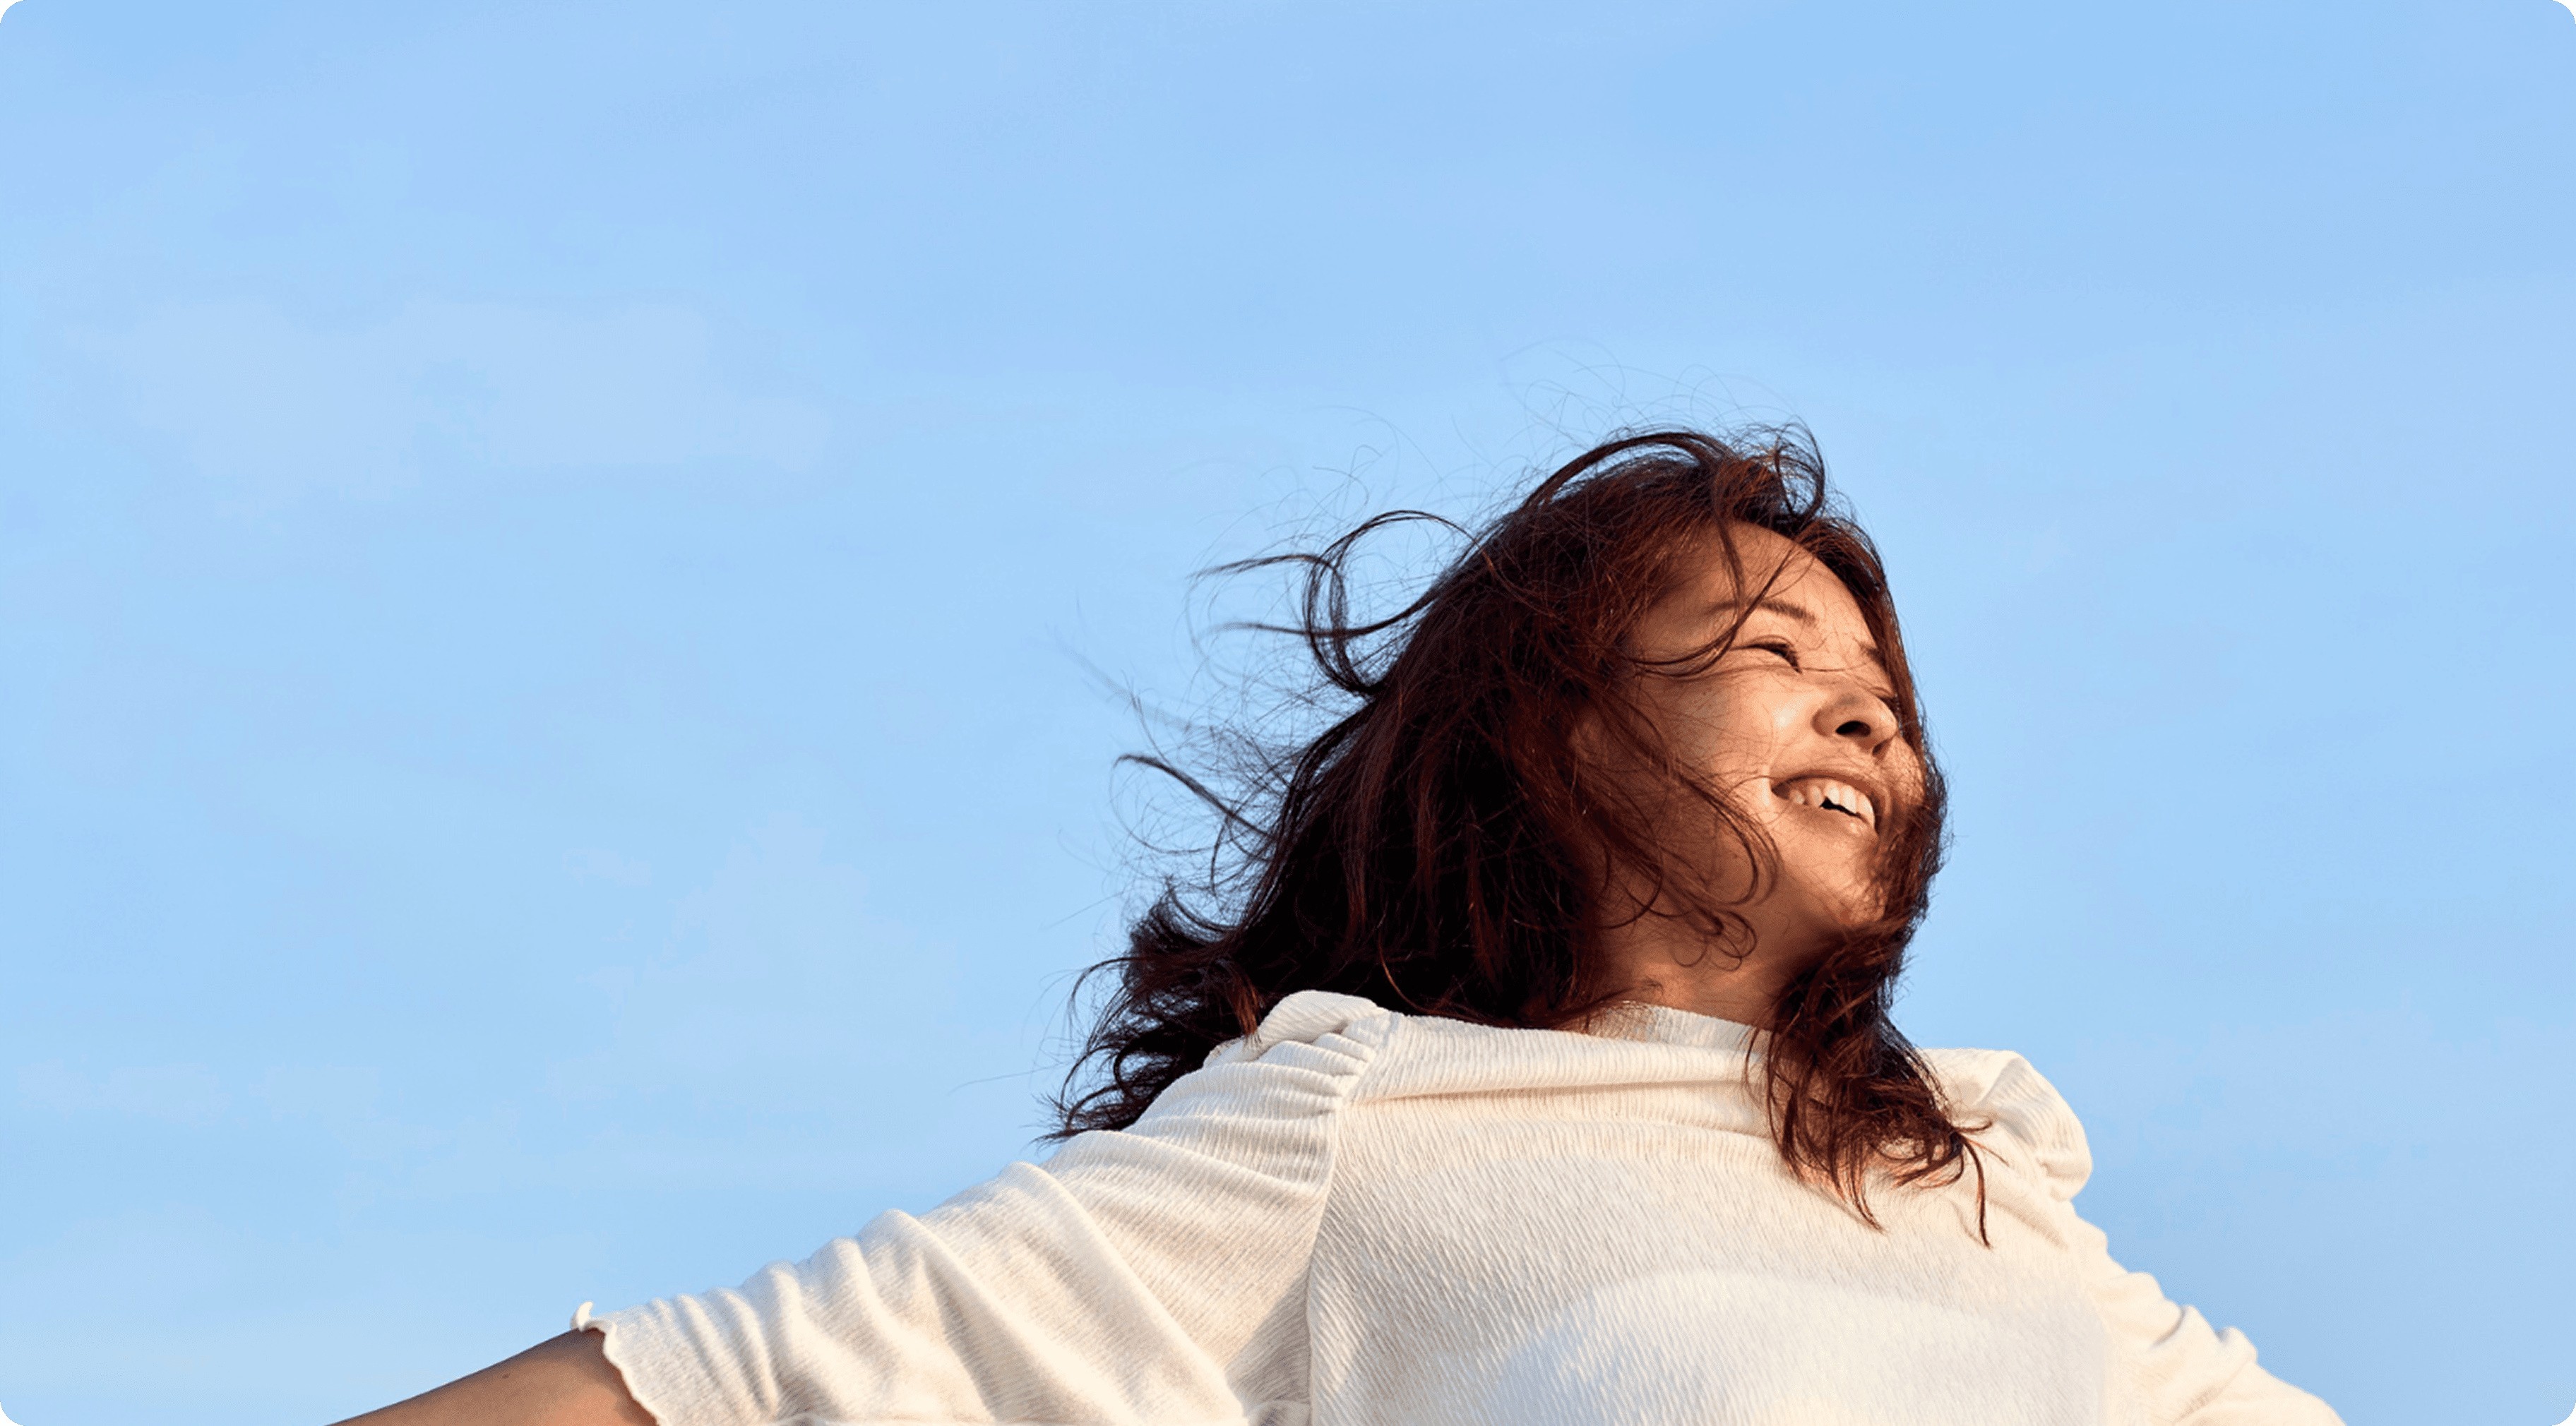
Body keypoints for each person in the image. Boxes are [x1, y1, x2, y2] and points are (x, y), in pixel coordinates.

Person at [338, 429, 2344, 1425]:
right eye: (1767, 648)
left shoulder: (1987, 1180)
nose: (1861, 712)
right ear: (1554, 737)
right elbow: (736, 1387)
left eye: (1883, 697)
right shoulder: (1362, 1122)